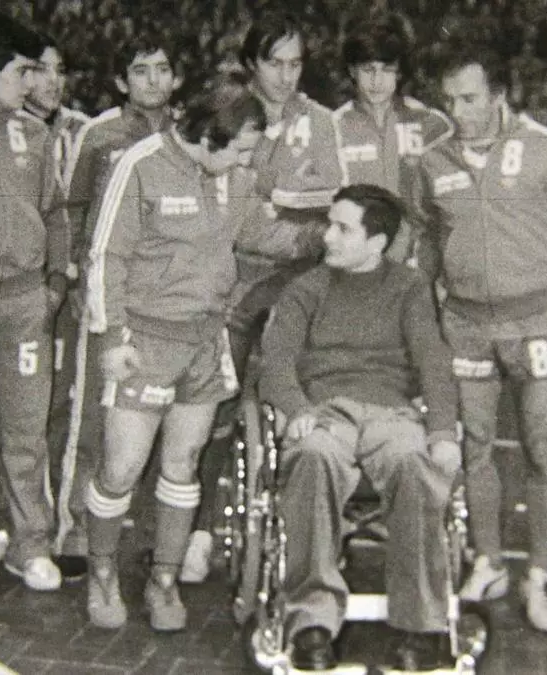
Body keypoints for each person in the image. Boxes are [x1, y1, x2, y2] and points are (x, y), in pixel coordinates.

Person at [414, 36, 547, 633]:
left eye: (469, 99)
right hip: (466, 326)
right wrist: (424, 317)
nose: (457, 112)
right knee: (476, 447)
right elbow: (426, 245)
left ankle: (539, 574)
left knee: (542, 447)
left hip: (537, 322)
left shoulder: (546, 148)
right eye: (449, 101)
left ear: (498, 94)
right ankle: (488, 561)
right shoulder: (433, 161)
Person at [81, 76, 264, 632]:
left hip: (204, 341)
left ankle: (163, 579)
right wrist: (113, 337)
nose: (246, 163)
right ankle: (101, 571)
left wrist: (323, 234)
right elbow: (105, 255)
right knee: (121, 467)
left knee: (183, 463)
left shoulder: (235, 178)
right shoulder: (141, 164)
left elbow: (261, 233)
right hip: (146, 341)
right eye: (240, 150)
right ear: (209, 137)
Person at [260, 184, 461, 672]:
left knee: (414, 464)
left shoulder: (409, 288)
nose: (327, 237)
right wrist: (296, 407)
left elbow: (433, 362)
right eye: (329, 224)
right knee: (314, 457)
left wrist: (442, 432)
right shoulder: (306, 289)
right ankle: (311, 622)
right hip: (325, 410)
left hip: (391, 412)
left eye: (342, 229)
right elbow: (277, 361)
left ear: (377, 243)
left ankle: (420, 624)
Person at [181, 9, 344, 585]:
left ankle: (302, 530)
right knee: (214, 408)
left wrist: (278, 209)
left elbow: (327, 211)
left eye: (295, 63)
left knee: (298, 397)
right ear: (251, 64)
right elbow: (230, 209)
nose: (286, 75)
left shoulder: (320, 122)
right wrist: (279, 209)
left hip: (295, 280)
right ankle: (198, 532)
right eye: (275, 63)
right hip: (230, 280)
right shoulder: (228, 112)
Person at [56, 32, 178, 581]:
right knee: (90, 415)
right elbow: (72, 211)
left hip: (165, 300)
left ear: (176, 77)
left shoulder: (186, 132)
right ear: (121, 81)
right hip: (108, 293)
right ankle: (74, 528)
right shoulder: (99, 134)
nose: (153, 80)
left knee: (160, 418)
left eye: (162, 69)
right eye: (141, 70)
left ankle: (152, 533)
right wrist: (75, 279)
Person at [0, 12, 71, 592]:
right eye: (21, 71)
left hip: (26, 300)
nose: (32, 83)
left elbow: (55, 213)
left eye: (35, 72)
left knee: (27, 428)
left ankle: (32, 542)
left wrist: (54, 282)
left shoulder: (36, 135)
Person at [21, 30, 93, 582]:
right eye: (41, 68)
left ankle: (61, 525)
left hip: (69, 288)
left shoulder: (83, 131)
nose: (53, 80)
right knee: (6, 413)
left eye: (60, 69)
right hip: (16, 287)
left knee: (63, 408)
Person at [333, 10, 453, 263]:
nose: (377, 81)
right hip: (359, 263)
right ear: (352, 70)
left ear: (399, 72)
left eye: (387, 69)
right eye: (368, 69)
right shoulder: (332, 128)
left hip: (420, 262)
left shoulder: (432, 124)